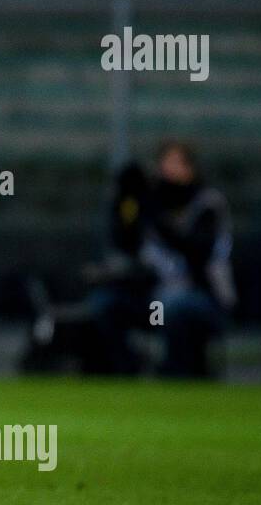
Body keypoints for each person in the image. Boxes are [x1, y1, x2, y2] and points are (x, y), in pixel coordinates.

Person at [86, 140, 236, 378]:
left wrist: (154, 214)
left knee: (172, 304)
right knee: (106, 304)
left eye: (177, 163)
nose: (168, 170)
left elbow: (195, 254)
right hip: (155, 295)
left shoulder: (207, 204)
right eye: (165, 163)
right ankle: (126, 368)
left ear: (191, 169)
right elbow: (125, 244)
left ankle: (179, 372)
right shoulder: (152, 202)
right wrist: (124, 203)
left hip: (205, 297)